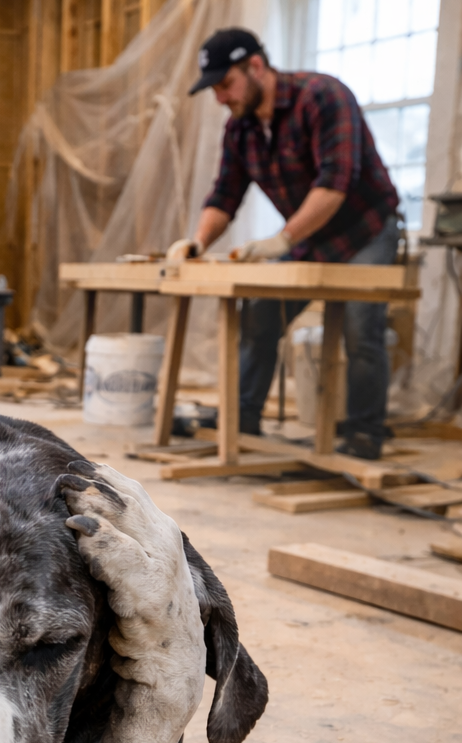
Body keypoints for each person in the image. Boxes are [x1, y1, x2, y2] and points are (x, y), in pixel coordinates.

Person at [167, 27, 401, 460]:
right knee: (260, 311)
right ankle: (243, 420)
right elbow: (225, 194)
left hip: (364, 229)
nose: (220, 98)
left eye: (225, 85)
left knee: (361, 324)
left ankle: (364, 434)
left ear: (256, 66)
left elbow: (336, 182)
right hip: (310, 234)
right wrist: (196, 243)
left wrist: (283, 239)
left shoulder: (324, 97)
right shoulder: (241, 129)